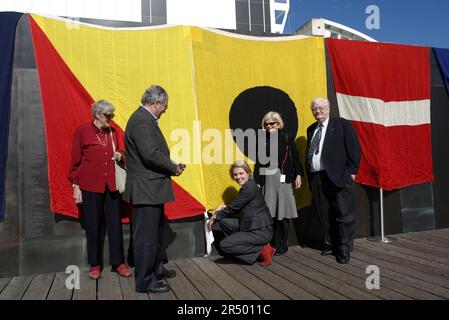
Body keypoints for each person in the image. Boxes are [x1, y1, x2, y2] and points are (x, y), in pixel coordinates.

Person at [123, 85, 185, 293]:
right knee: (146, 239)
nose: (166, 109)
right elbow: (150, 153)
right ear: (156, 103)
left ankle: (156, 269)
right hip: (146, 190)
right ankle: (145, 281)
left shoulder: (144, 119)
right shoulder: (141, 121)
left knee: (154, 236)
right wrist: (173, 167)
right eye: (165, 105)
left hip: (150, 189)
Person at [69, 99, 132, 280]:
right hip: (90, 186)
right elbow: (75, 162)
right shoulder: (83, 132)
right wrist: (76, 185)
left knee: (115, 225)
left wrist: (120, 154)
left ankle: (119, 263)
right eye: (108, 115)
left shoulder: (113, 132)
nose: (111, 118)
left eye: (112, 115)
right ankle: (95, 264)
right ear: (98, 115)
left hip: (111, 186)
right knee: (93, 226)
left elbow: (123, 151)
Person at [306, 98, 361, 264]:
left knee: (344, 214)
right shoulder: (311, 129)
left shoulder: (342, 124)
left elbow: (354, 149)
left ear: (329, 109)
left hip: (339, 177)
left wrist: (352, 172)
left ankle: (344, 248)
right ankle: (332, 244)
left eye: (321, 108)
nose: (318, 111)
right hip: (317, 178)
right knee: (325, 214)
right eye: (315, 109)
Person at [208, 160, 275, 266]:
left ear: (248, 173)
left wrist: (215, 216)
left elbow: (233, 208)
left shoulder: (249, 188)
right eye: (235, 174)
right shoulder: (249, 186)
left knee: (225, 245)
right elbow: (240, 204)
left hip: (260, 231)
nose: (238, 177)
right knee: (225, 223)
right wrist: (223, 207)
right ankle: (245, 246)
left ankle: (262, 249)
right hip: (253, 225)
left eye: (241, 173)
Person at [254, 111, 303, 255]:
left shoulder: (286, 137)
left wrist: (298, 175)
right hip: (267, 179)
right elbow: (258, 163)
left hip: (282, 177)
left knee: (283, 211)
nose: (269, 126)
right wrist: (257, 181)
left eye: (272, 123)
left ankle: (283, 243)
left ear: (278, 123)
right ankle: (274, 243)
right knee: (271, 213)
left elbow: (295, 157)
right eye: (266, 124)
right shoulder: (262, 139)